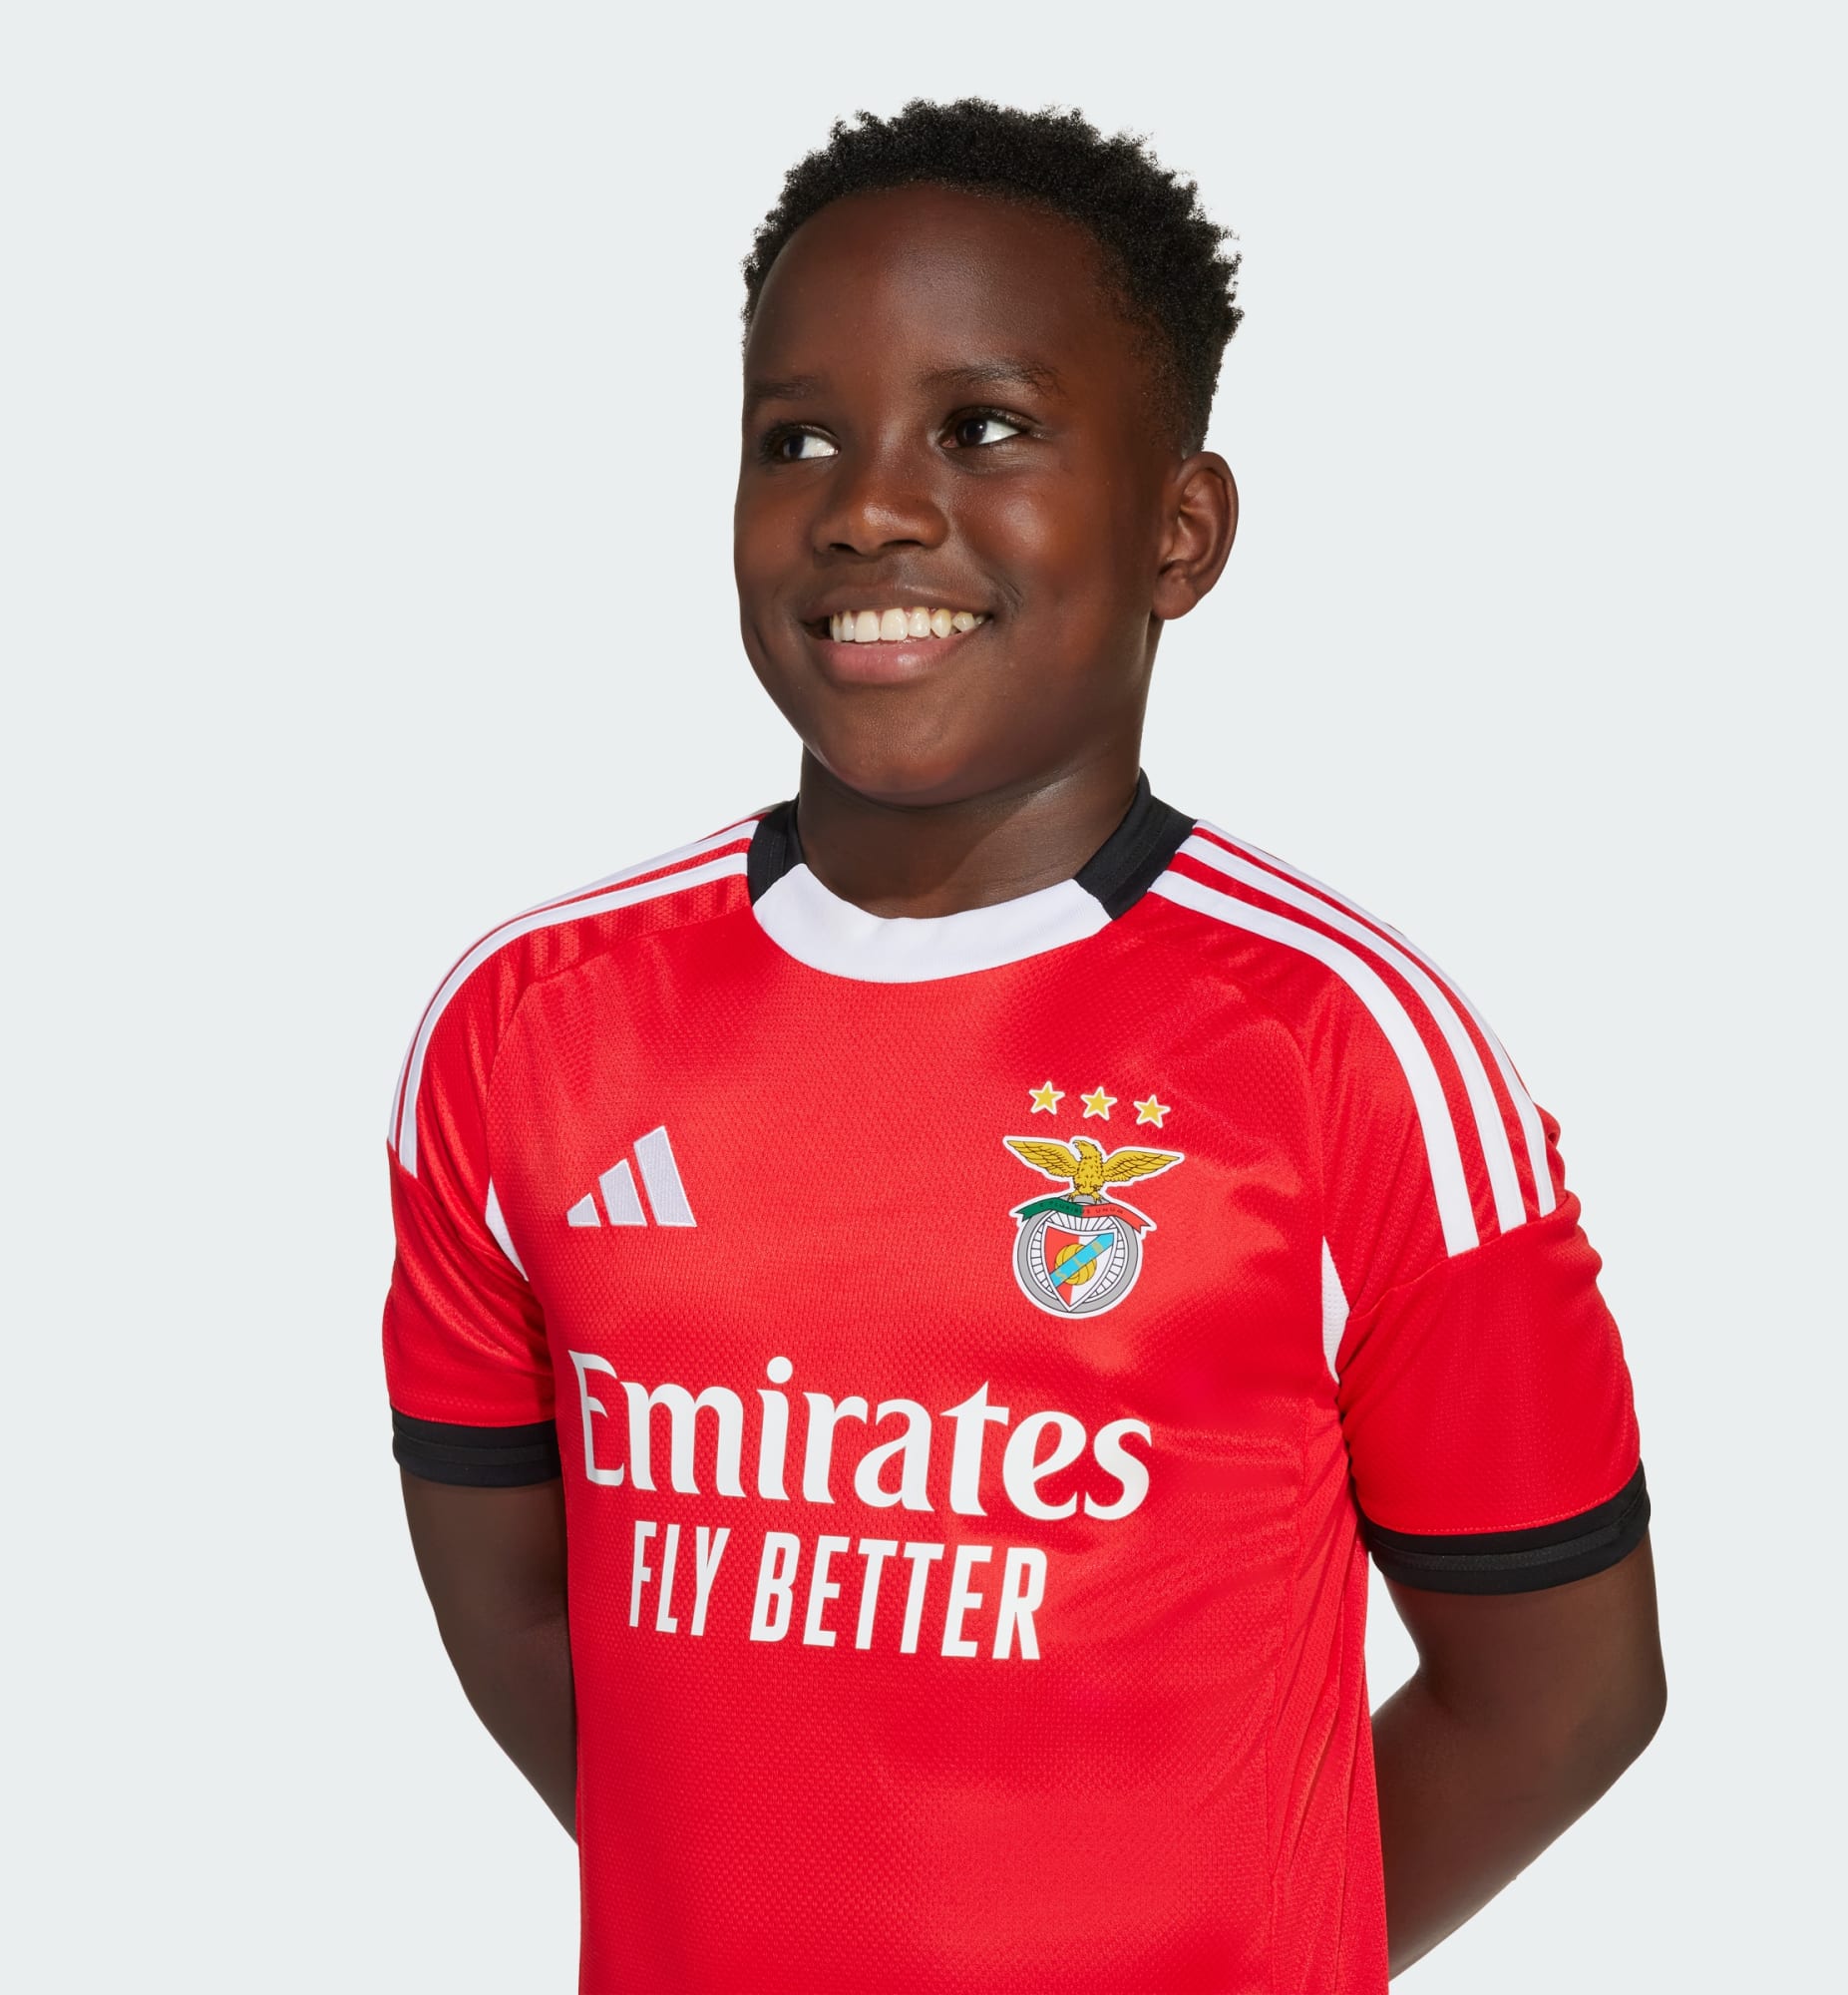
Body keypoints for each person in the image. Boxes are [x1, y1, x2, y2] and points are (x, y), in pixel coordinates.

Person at [382, 99, 1664, 1993]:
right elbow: (516, 1618)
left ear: (1180, 531)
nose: (869, 507)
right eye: (796, 439)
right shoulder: (528, 1030)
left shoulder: (1350, 1053)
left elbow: (1562, 1693)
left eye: (982, 428)